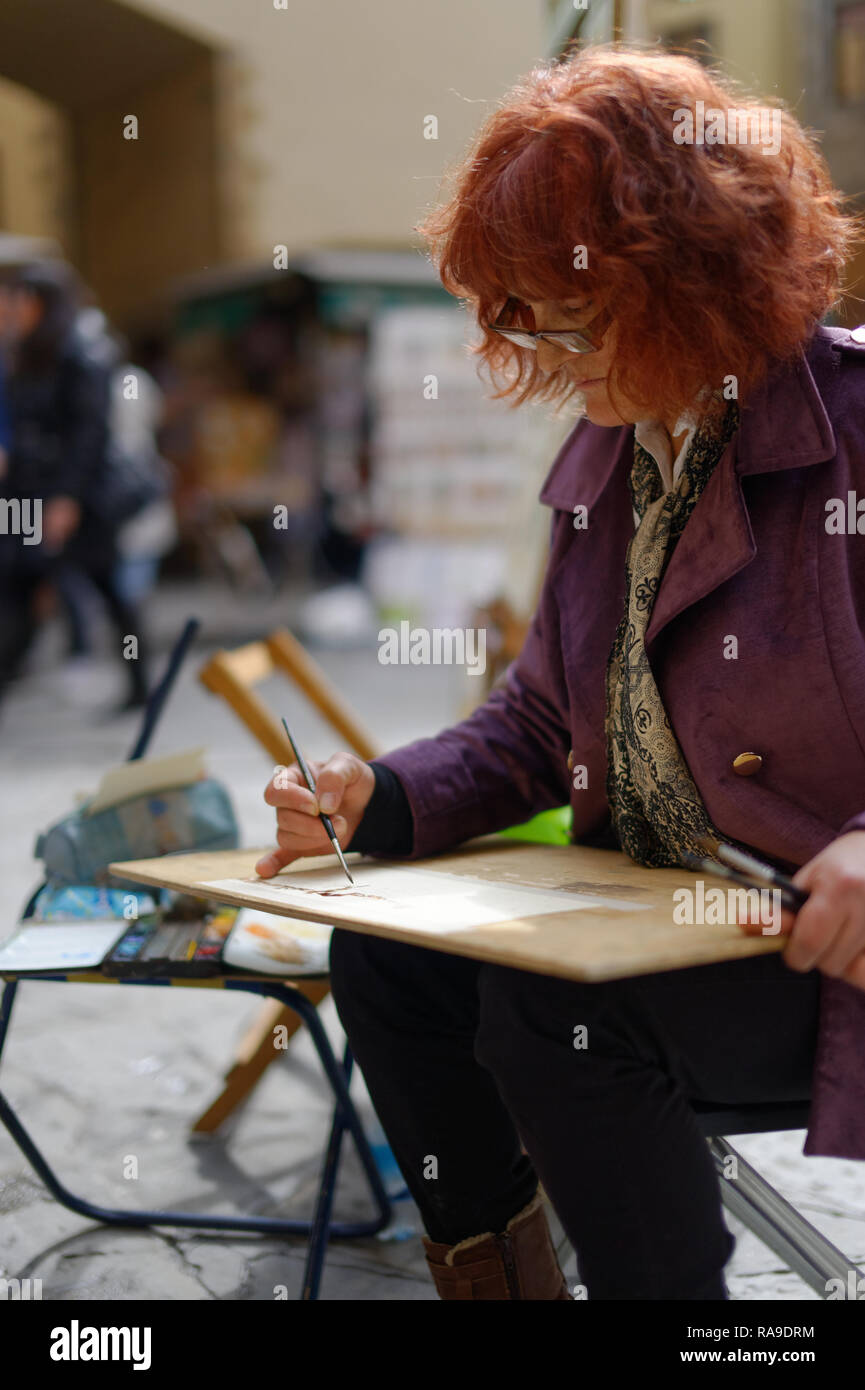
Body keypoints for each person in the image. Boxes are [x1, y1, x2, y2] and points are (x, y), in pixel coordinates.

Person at [256, 47, 865, 1300]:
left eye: (569, 312)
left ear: (694, 277)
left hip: (820, 952)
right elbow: (541, 718)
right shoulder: (608, 457)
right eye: (522, 312)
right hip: (665, 918)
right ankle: (500, 1278)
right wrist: (379, 793)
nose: (545, 348)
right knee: (388, 956)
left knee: (557, 1015)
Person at [0, 262, 150, 708]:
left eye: (17, 298)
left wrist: (66, 498)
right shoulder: (24, 353)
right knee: (17, 588)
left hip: (74, 500)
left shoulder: (81, 353)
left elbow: (90, 433)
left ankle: (140, 683)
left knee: (105, 586)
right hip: (27, 497)